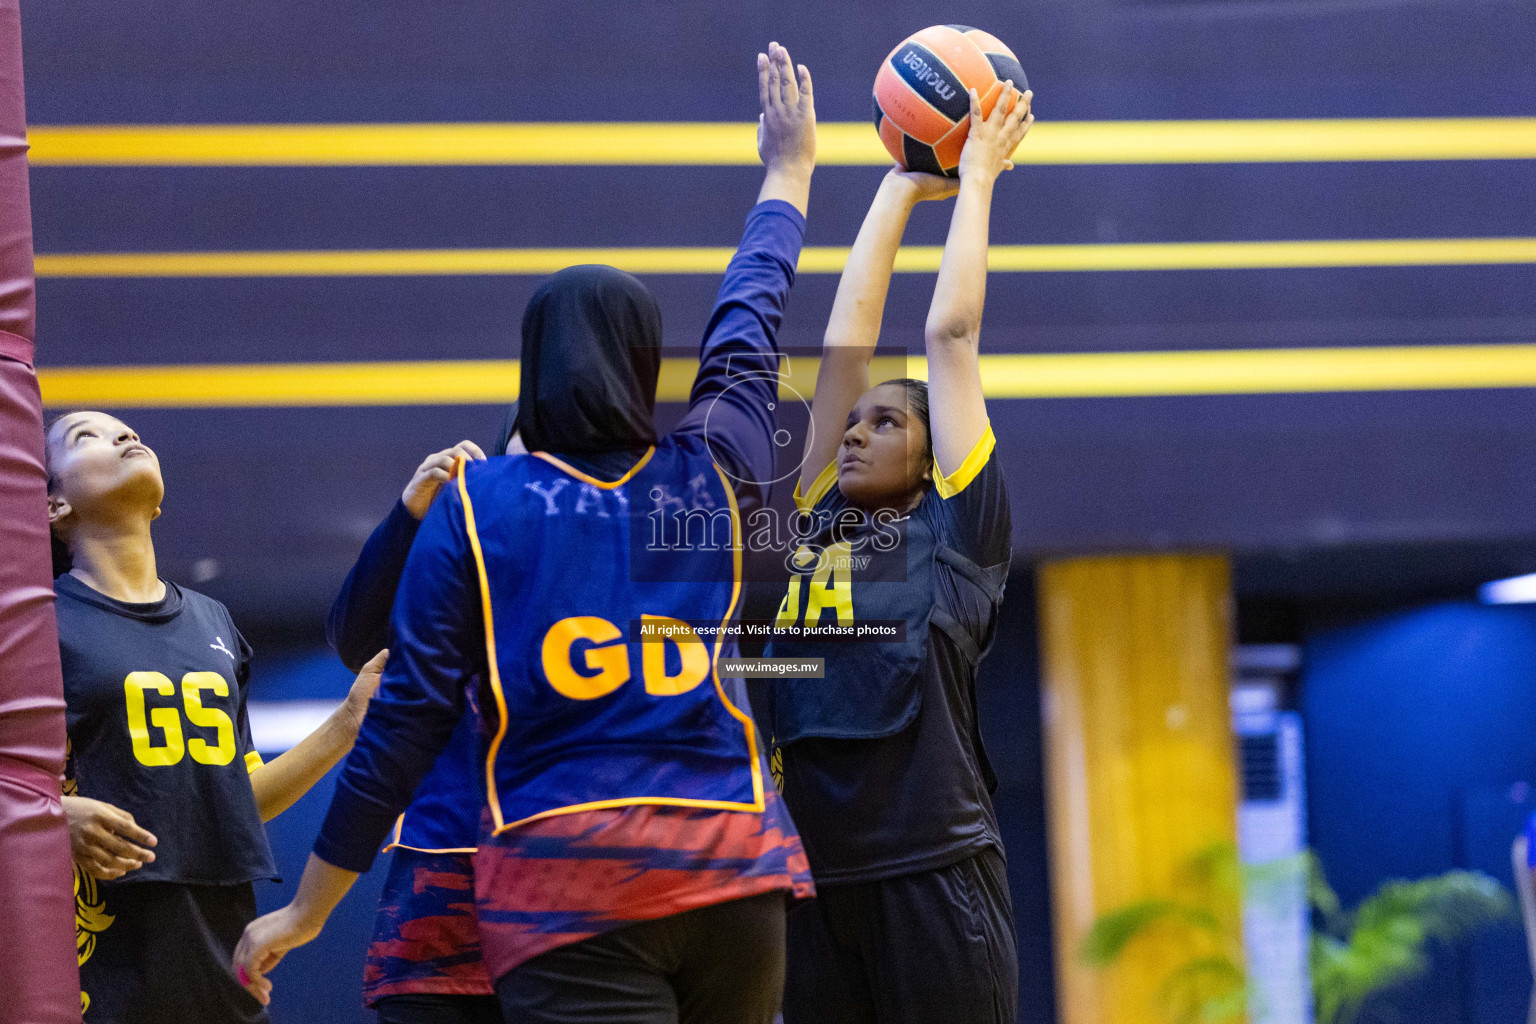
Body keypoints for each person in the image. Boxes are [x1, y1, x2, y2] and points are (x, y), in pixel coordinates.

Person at [234, 42, 819, 1024]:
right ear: (645, 366)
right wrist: (789, 172)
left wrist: (306, 905)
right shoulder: (710, 470)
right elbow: (747, 327)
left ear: (530, 368)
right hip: (735, 867)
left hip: (569, 875)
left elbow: (406, 718)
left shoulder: (481, 501)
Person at [762, 85, 1034, 1024]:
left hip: (934, 875)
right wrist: (898, 185)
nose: (855, 430)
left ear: (932, 458)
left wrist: (978, 181)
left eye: (887, 421)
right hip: (812, 883)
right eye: (854, 420)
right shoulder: (813, 519)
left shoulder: (958, 535)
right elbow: (846, 345)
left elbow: (947, 335)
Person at [45, 409, 388, 1024]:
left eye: (127, 429)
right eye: (86, 436)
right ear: (53, 507)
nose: (125, 436)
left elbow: (238, 798)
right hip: (95, 953)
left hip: (215, 940)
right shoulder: (35, 627)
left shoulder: (213, 622)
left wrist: (346, 724)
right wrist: (45, 816)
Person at [327, 433, 512, 1024]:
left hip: (575, 896)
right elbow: (359, 642)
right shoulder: (460, 571)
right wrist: (411, 517)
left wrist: (793, 653)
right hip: (441, 899)